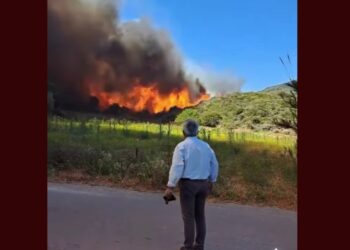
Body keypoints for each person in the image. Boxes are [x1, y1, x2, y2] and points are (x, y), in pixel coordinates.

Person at [164, 119, 219, 250]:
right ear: (197, 132)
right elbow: (214, 164)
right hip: (204, 184)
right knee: (200, 215)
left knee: (188, 216)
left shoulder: (181, 147)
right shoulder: (206, 146)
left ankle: (188, 246)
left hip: (188, 185)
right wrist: (212, 180)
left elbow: (177, 167)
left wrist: (170, 186)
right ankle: (199, 245)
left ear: (183, 132)